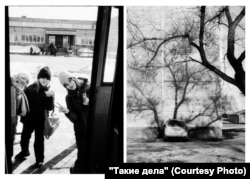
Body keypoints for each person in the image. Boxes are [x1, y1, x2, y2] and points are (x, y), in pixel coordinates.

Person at [15, 67, 55, 168]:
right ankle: (24, 152)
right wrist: (23, 118)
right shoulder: (30, 88)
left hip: (40, 120)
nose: (45, 80)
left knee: (39, 141)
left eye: (47, 78)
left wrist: (49, 97)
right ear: (38, 78)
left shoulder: (49, 91)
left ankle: (39, 159)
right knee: (24, 137)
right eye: (42, 78)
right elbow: (23, 103)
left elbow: (49, 108)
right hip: (28, 119)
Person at [58, 71, 90, 173]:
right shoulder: (69, 97)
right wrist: (67, 112)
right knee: (81, 154)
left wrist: (87, 105)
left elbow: (99, 111)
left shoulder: (89, 89)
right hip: (80, 130)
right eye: (66, 85)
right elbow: (75, 119)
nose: (69, 85)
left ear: (74, 79)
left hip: (95, 128)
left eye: (70, 81)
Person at [10, 73, 30, 160]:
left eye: (25, 83)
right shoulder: (11, 87)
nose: (23, 83)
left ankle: (9, 157)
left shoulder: (20, 92)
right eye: (20, 81)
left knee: (11, 137)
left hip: (14, 119)